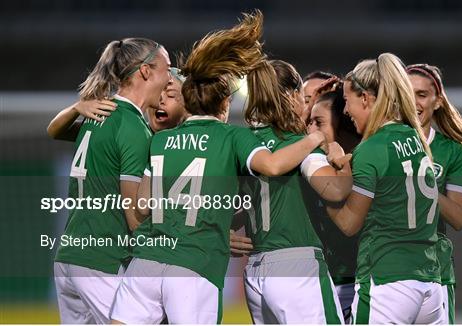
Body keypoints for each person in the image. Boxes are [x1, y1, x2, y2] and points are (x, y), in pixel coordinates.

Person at [109, 11, 329, 324]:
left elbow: (142, 206)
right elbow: (273, 165)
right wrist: (316, 136)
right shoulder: (233, 137)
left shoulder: (160, 141)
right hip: (194, 266)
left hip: (145, 264)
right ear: (225, 103)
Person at [53, 38, 171, 324]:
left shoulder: (100, 115)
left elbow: (55, 131)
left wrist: (75, 108)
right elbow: (133, 217)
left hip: (70, 258)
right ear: (145, 71)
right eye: (167, 69)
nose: (170, 80)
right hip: (101, 259)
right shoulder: (131, 127)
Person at [326, 53, 444, 324]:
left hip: (388, 281)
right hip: (429, 283)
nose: (345, 111)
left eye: (347, 101)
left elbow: (348, 224)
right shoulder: (415, 137)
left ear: (365, 98)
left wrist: (322, 189)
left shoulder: (372, 148)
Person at [239, 59, 351, 324]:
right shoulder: (300, 148)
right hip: (296, 264)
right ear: (291, 96)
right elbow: (335, 191)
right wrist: (341, 162)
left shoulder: (245, 145)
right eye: (302, 96)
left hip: (255, 269)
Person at [407, 63, 462, 324]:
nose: (414, 102)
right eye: (407, 94)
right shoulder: (379, 142)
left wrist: (421, 184)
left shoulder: (451, 151)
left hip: (434, 270)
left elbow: (459, 217)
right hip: (385, 267)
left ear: (438, 101)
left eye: (422, 94)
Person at [306, 82, 362, 323]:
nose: (309, 130)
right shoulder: (310, 166)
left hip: (355, 285)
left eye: (318, 123)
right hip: (319, 286)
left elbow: (348, 225)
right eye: (309, 121)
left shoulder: (365, 168)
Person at [46, 67, 186, 137]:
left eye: (171, 95)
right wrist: (76, 108)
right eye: (156, 93)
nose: (160, 99)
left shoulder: (192, 142)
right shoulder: (127, 130)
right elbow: (56, 131)